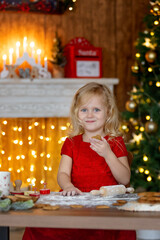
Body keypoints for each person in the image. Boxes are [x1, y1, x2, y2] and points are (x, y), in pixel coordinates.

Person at [23, 82, 136, 240]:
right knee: (40, 225)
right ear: (77, 114)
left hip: (106, 206)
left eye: (96, 109)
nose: (90, 115)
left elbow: (125, 179)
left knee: (110, 230)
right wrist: (68, 186)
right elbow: (63, 173)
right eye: (84, 110)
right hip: (76, 200)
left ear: (108, 112)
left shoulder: (115, 142)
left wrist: (108, 154)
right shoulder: (71, 142)